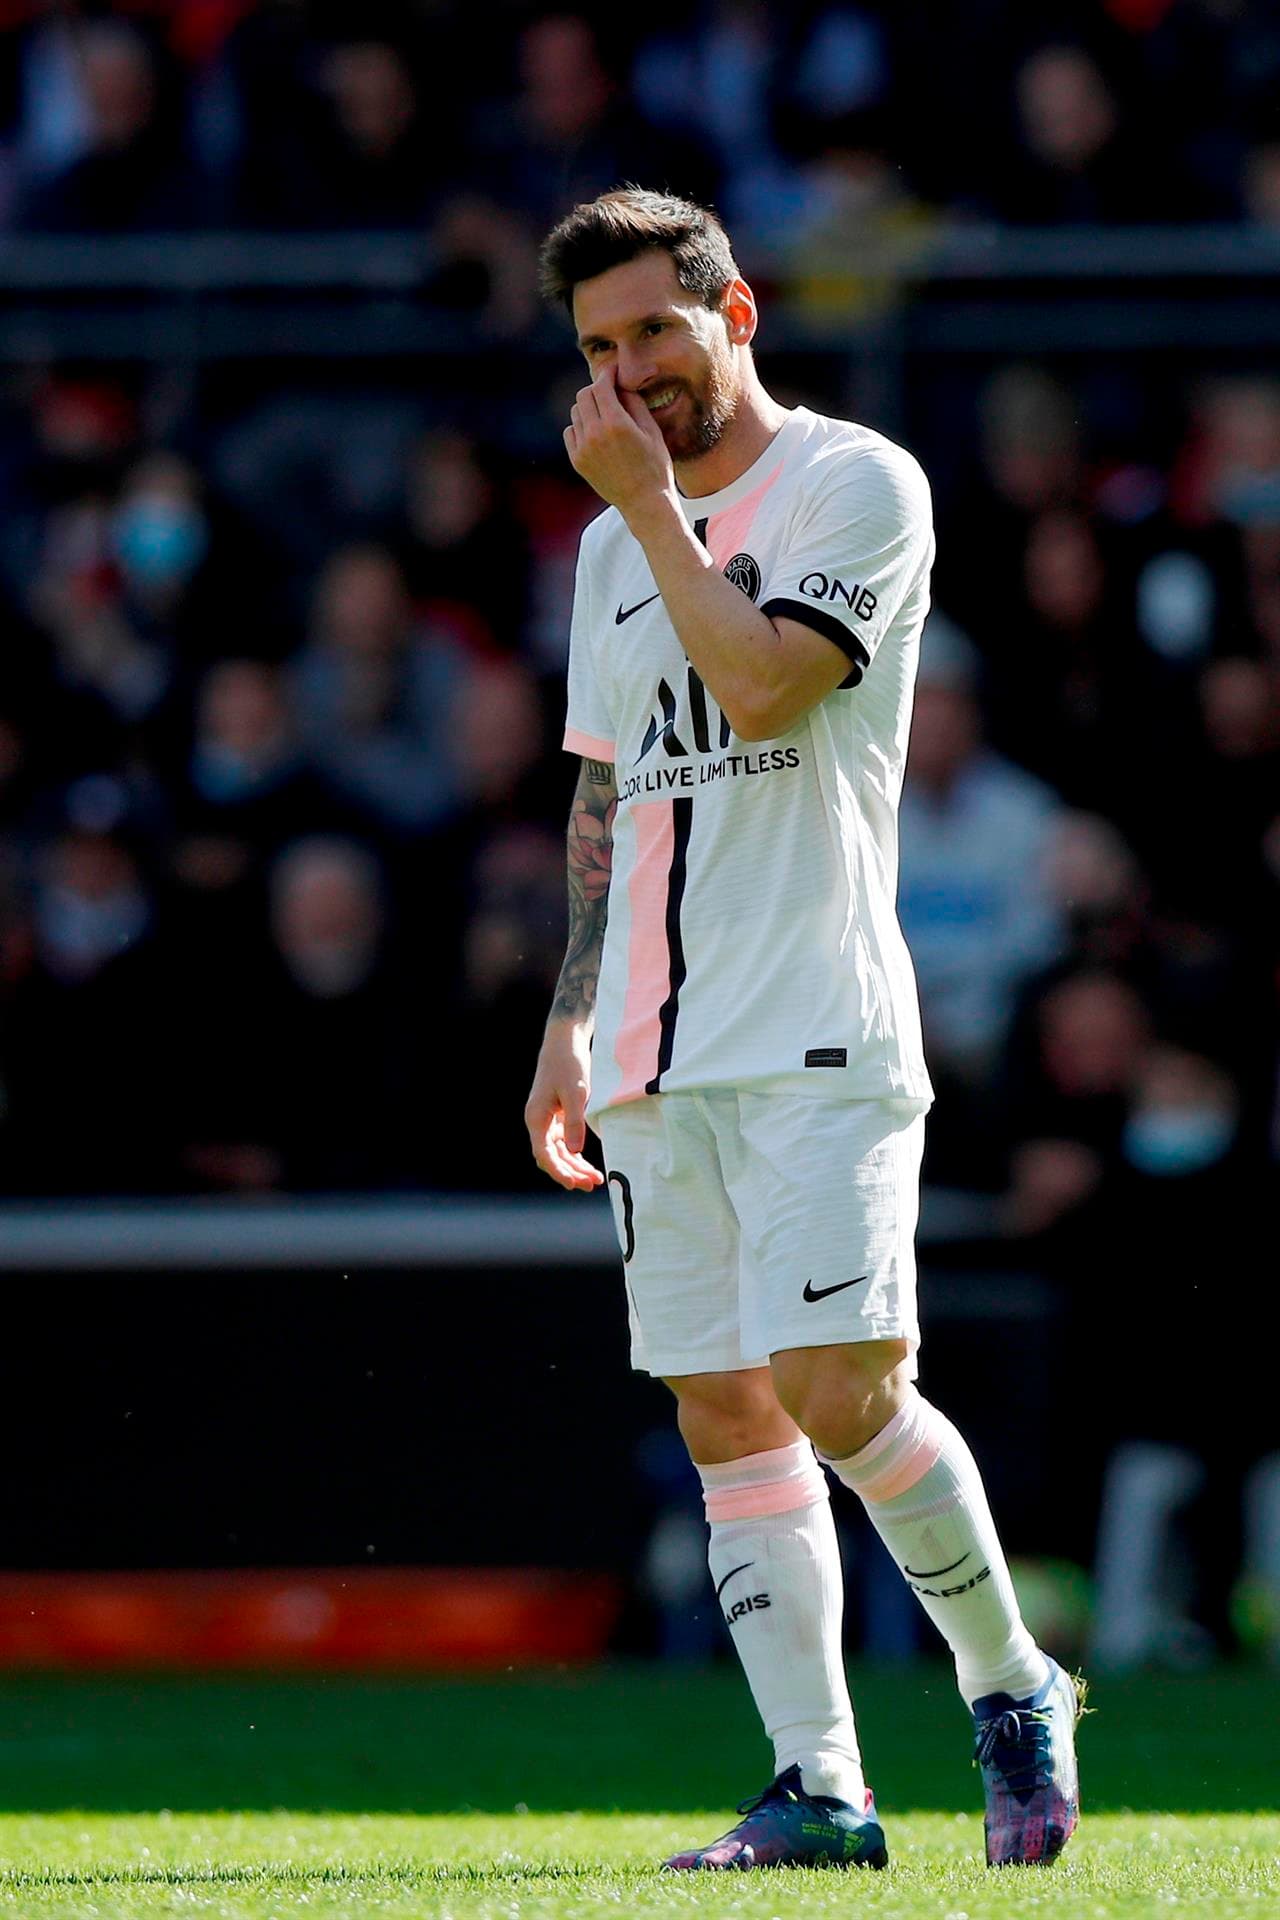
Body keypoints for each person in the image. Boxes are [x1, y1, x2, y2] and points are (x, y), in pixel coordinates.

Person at [523, 185, 1083, 1874]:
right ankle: (822, 1787)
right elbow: (608, 789)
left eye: (654, 335)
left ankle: (1010, 1677)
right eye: (599, 350)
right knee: (722, 1412)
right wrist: (565, 1018)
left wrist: (652, 513)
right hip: (649, 1051)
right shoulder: (611, 544)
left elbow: (767, 686)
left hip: (820, 1028)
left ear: (737, 311)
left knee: (841, 1389)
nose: (630, 378)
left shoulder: (858, 484)